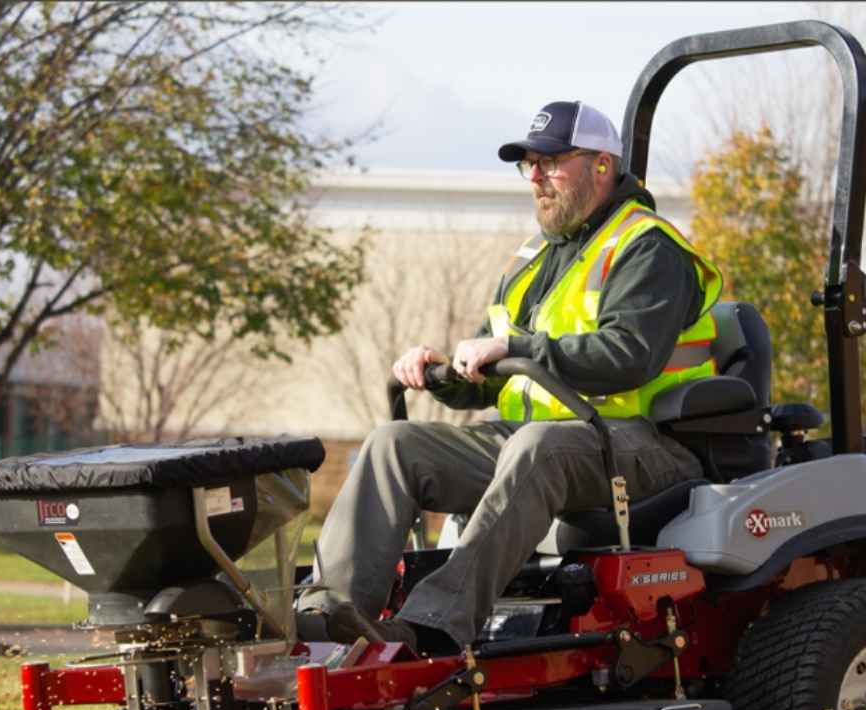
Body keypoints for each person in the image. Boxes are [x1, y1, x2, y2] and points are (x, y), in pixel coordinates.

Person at [297, 100, 722, 655]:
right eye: (529, 165)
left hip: (644, 444)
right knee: (393, 445)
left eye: (551, 162)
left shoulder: (648, 247)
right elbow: (494, 370)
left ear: (601, 165)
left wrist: (518, 346)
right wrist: (441, 372)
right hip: (546, 441)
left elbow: (629, 355)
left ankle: (432, 628)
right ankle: (330, 618)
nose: (537, 177)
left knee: (538, 446)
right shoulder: (533, 260)